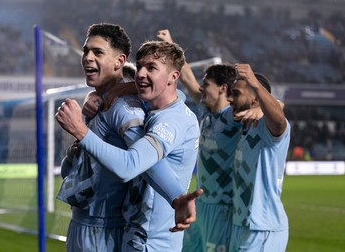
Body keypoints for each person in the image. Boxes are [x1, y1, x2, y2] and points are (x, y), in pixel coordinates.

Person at [56, 40, 201, 251]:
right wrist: (104, 92)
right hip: (133, 235)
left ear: (173, 77)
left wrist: (80, 131)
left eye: (151, 68)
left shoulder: (173, 121)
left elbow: (129, 166)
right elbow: (175, 93)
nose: (141, 73)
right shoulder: (151, 106)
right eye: (140, 66)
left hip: (154, 242)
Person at [157, 29, 263, 252]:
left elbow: (275, 109)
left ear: (223, 88)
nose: (201, 88)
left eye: (207, 84)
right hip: (200, 205)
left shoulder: (234, 117)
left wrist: (263, 109)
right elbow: (186, 78)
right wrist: (170, 44)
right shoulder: (206, 111)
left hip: (222, 207)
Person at [56, 22, 146, 252]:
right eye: (86, 50)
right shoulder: (96, 104)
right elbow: (73, 173)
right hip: (80, 224)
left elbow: (140, 169)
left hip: (106, 230)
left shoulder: (127, 109)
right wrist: (74, 151)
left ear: (119, 61)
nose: (87, 57)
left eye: (98, 52)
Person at [228, 64, 290, 252]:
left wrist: (254, 82)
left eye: (236, 93)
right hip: (242, 225)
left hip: (262, 227)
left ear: (255, 97)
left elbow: (279, 120)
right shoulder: (246, 126)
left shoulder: (267, 129)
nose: (230, 99)